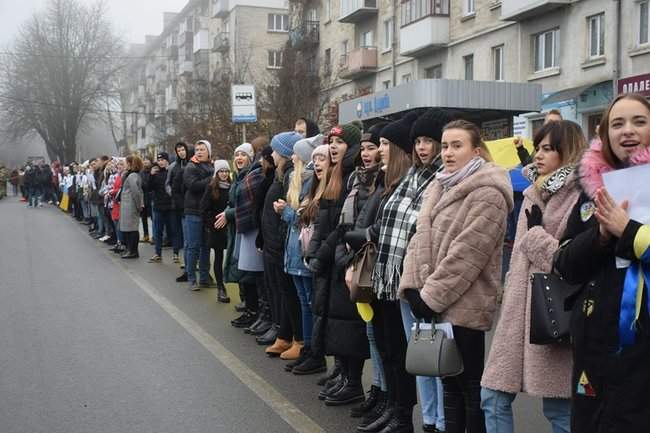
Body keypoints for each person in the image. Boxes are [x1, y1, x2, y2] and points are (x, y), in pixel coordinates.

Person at [401, 119, 513, 433]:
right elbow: (418, 238)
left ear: (477, 150)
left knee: (469, 386)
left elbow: (468, 254)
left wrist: (430, 296)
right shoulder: (439, 184)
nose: (448, 153)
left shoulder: (489, 192)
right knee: (448, 383)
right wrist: (412, 287)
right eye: (446, 145)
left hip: (467, 304)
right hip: (432, 300)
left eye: (457, 145)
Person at [480, 120, 587, 433]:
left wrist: (536, 234)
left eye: (548, 149)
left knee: (559, 409)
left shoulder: (581, 194)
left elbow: (573, 260)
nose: (538, 155)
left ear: (568, 152)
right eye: (538, 147)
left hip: (554, 312)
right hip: (517, 313)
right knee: (493, 397)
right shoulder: (534, 190)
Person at [554, 93, 650, 433]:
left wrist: (628, 232)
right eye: (617, 123)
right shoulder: (594, 188)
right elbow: (563, 264)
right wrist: (601, 237)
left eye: (639, 121)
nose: (627, 131)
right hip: (595, 347)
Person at [305, 122, 363, 403]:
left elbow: (342, 226)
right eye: (331, 142)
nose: (333, 147)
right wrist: (315, 252)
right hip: (331, 258)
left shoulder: (352, 175)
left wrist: (322, 254)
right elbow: (323, 221)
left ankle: (353, 382)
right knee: (336, 321)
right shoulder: (337, 175)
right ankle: (342, 374)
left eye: (338, 143)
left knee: (346, 324)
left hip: (341, 258)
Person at [259, 131, 304, 360]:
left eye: (276, 150)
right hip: (275, 244)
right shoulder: (281, 175)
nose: (272, 154)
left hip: (282, 245)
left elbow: (290, 213)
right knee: (284, 294)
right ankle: (285, 335)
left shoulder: (289, 176)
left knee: (292, 296)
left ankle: (297, 339)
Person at [289, 143, 331, 375]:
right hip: (304, 254)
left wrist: (288, 212)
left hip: (317, 257)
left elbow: (302, 218)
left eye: (322, 159)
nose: (317, 165)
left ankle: (317, 354)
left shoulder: (331, 190)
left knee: (314, 306)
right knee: (306, 303)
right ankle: (309, 349)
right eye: (315, 159)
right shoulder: (312, 188)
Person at [183, 140, 215, 290]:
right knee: (194, 246)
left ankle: (204, 277)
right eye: (197, 149)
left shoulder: (212, 165)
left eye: (202, 149)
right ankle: (191, 279)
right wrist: (211, 180)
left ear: (209, 151)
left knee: (206, 246)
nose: (199, 152)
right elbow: (193, 186)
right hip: (193, 211)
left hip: (207, 212)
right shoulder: (191, 166)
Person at [201, 159, 232, 303]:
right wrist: (212, 224)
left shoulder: (232, 186)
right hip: (217, 229)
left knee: (232, 257)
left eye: (226, 171)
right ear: (217, 173)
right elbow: (204, 209)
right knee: (218, 257)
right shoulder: (211, 188)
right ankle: (220, 288)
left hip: (231, 228)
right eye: (221, 171)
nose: (224, 174)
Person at [168, 142, 193, 276]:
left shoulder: (194, 163)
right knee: (185, 237)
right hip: (181, 207)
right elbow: (171, 185)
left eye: (183, 149)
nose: (182, 152)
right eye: (179, 150)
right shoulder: (174, 167)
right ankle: (187, 264)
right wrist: (176, 200)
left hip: (196, 207)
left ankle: (195, 265)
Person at [148, 152, 176, 263]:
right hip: (158, 206)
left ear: (167, 160)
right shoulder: (155, 173)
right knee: (158, 231)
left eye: (163, 160)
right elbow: (149, 188)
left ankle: (176, 253)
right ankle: (157, 253)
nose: (161, 162)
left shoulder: (171, 172)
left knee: (173, 230)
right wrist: (151, 175)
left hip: (170, 206)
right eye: (159, 160)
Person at [119, 155, 145, 259]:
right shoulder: (129, 175)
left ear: (130, 164)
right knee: (128, 229)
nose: (124, 164)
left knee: (132, 229)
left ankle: (133, 251)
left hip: (131, 206)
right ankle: (129, 249)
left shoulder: (132, 175)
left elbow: (136, 192)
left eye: (125, 162)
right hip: (127, 205)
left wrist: (139, 206)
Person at [140, 158, 153, 243]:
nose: (145, 162)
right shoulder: (141, 172)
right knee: (143, 218)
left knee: (153, 218)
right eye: (144, 160)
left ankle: (154, 236)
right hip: (143, 197)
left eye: (147, 160)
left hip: (151, 197)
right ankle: (146, 235)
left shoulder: (153, 171)